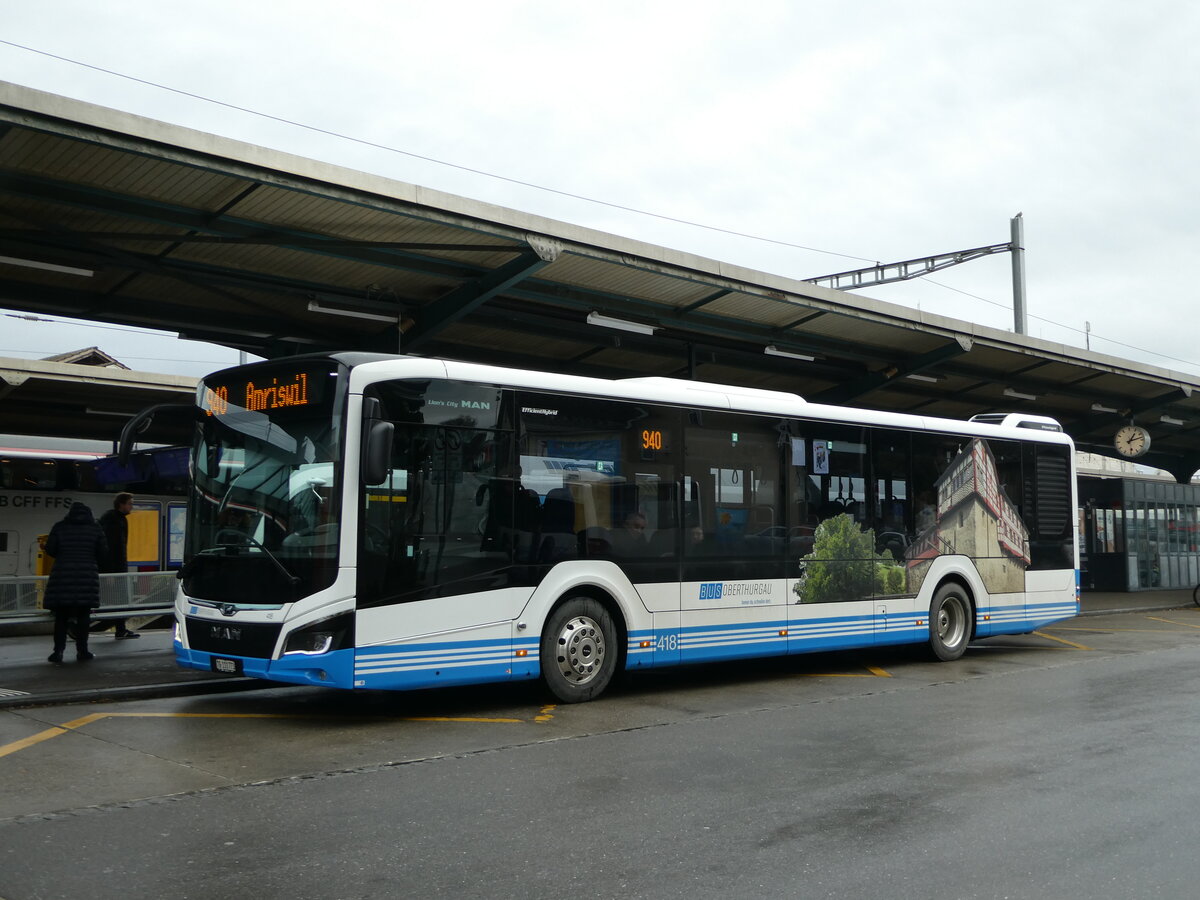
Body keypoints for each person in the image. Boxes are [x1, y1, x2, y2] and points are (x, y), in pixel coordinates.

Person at [43, 501, 108, 663]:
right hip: (87, 575)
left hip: (62, 575)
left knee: (61, 617)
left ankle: (58, 652)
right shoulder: (95, 528)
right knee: (84, 616)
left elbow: (50, 549)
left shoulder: (60, 526)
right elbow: (103, 552)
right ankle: (82, 651)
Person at [98, 492, 139, 639]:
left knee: (118, 599)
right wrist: (111, 573)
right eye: (130, 503)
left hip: (117, 568)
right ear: (121, 504)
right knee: (116, 599)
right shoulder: (113, 521)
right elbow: (112, 548)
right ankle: (120, 630)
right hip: (114, 569)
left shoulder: (117, 519)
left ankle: (120, 629)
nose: (131, 506)